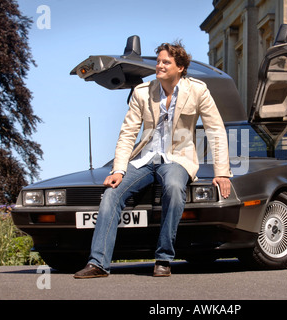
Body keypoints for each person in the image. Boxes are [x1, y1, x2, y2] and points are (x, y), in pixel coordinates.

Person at [74, 41, 232, 279]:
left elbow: (216, 130)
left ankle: (164, 258)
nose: (159, 65)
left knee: (174, 186)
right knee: (111, 194)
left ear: (180, 67)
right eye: (158, 61)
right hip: (144, 158)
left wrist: (222, 172)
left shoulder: (198, 90)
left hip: (178, 158)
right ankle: (98, 263)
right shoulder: (142, 92)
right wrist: (118, 169)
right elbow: (127, 133)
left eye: (165, 62)